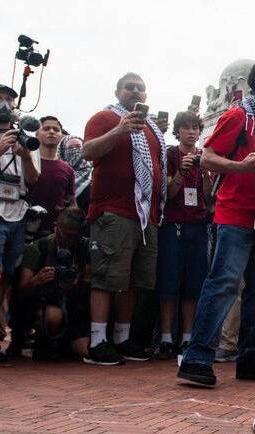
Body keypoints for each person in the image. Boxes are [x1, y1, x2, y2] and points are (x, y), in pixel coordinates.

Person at [177, 57, 255, 387]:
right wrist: (241, 167)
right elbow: (207, 157)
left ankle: (253, 359)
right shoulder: (237, 116)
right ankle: (196, 358)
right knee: (223, 284)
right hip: (235, 216)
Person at [80, 73, 166, 365]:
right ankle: (97, 341)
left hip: (145, 215)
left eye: (141, 87)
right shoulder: (104, 118)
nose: (135, 91)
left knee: (132, 280)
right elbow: (87, 152)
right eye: (129, 87)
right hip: (114, 211)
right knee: (106, 277)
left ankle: (121, 338)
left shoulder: (152, 128)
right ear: (117, 91)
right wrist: (118, 131)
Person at [0, 83, 41, 360]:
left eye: (9, 99)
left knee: (5, 277)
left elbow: (32, 179)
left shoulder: (26, 137)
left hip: (17, 211)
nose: (3, 103)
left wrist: (25, 154)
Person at [154, 111, 211, 360]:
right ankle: (166, 337)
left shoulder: (205, 157)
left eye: (195, 128)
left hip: (198, 225)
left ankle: (187, 336)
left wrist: (206, 172)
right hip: (173, 224)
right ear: (178, 131)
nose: (191, 132)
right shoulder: (169, 154)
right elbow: (168, 192)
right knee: (168, 280)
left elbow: (210, 199)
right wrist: (182, 170)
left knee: (193, 283)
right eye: (185, 128)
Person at [17, 207, 91, 360]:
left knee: (84, 351)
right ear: (56, 226)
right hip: (45, 305)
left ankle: (65, 344)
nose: (68, 240)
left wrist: (77, 285)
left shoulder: (85, 248)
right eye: (65, 234)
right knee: (53, 316)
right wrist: (36, 281)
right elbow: (20, 291)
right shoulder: (39, 247)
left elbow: (92, 285)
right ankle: (41, 340)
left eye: (73, 236)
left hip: (76, 308)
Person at [28, 116, 76, 237]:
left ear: (61, 135)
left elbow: (71, 202)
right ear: (37, 134)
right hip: (22, 227)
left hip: (52, 233)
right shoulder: (26, 160)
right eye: (46, 128)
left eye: (56, 129)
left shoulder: (68, 169)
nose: (51, 132)